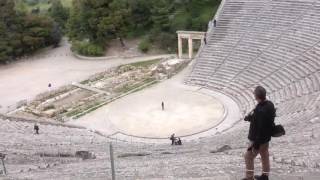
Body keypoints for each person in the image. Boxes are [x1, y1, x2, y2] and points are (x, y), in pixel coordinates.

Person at [242, 86, 276, 180]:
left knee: (248, 157)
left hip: (258, 139)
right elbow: (263, 121)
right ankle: (265, 176)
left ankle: (249, 178)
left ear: (257, 96)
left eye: (254, 94)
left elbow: (261, 128)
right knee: (264, 155)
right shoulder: (269, 104)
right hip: (266, 138)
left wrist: (256, 143)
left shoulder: (261, 110)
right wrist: (251, 118)